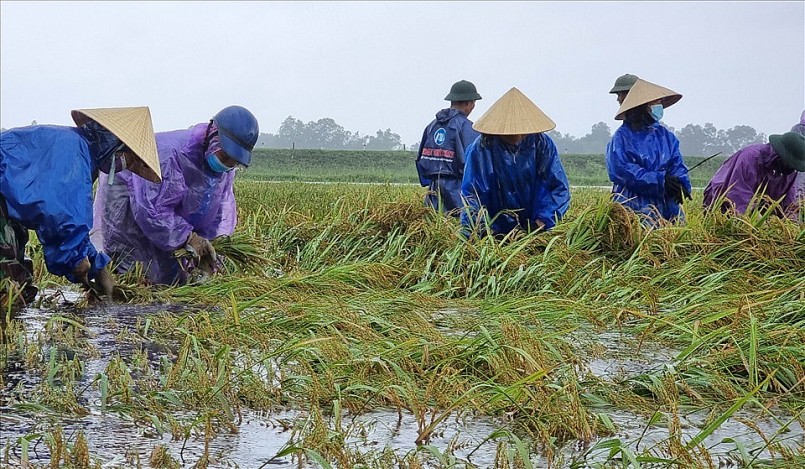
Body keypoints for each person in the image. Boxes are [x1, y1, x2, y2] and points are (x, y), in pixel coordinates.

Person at [1, 107, 161, 306]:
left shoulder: (81, 152)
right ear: (116, 146)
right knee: (9, 287)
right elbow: (59, 217)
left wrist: (98, 269)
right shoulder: (74, 152)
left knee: (20, 286)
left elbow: (75, 226)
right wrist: (77, 261)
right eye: (128, 159)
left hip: (8, 212)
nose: (125, 165)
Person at [92, 106, 259, 286]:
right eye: (225, 156)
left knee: (170, 279)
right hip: (130, 196)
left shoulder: (223, 171)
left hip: (162, 214)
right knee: (133, 265)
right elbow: (152, 211)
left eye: (234, 162)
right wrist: (187, 238)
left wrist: (207, 248)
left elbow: (215, 210)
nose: (227, 164)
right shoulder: (169, 154)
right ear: (213, 135)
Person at [460, 87, 570, 238]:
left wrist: (540, 223)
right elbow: (471, 194)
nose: (515, 136)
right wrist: (477, 230)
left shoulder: (541, 144)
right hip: (493, 228)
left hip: (533, 226)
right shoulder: (482, 148)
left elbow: (559, 188)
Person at [605, 78, 691, 226]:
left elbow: (677, 165)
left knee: (671, 243)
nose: (618, 99)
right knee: (636, 243)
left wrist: (680, 184)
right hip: (632, 205)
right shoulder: (621, 139)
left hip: (667, 206)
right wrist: (660, 181)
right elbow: (621, 170)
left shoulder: (667, 137)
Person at [416, 80, 482, 215]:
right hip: (458, 189)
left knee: (435, 225)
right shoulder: (468, 128)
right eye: (473, 103)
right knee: (460, 226)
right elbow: (476, 162)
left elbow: (421, 160)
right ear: (468, 103)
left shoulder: (431, 126)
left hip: (434, 190)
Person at [702, 131, 804, 219]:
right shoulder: (749, 158)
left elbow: (789, 204)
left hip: (758, 210)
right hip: (724, 204)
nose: (793, 168)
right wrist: (758, 224)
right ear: (781, 155)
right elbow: (738, 195)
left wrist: (790, 228)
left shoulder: (789, 170)